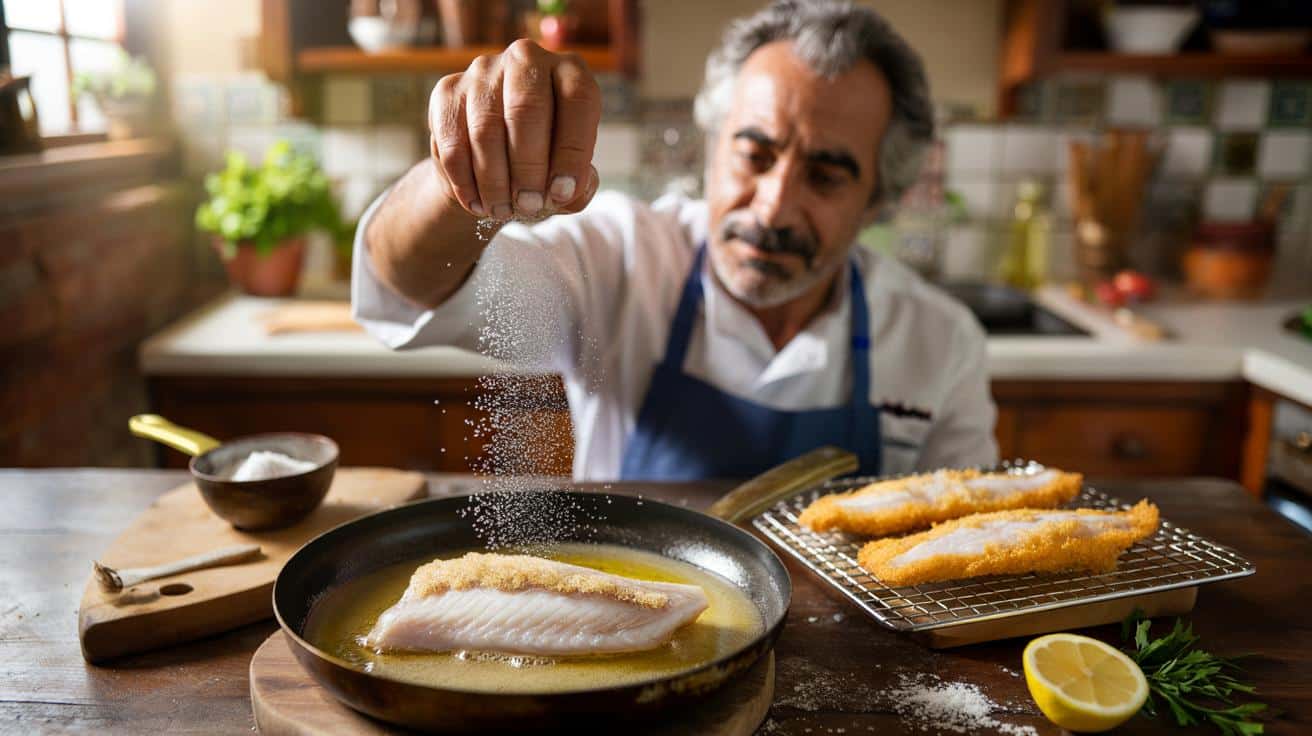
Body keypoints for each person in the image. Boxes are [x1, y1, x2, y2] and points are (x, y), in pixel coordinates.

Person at [353, 0, 997, 481]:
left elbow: (968, 540)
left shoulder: (939, 343)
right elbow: (407, 282)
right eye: (754, 155)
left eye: (826, 177)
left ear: (878, 199)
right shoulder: (620, 260)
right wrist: (458, 178)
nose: (773, 207)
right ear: (710, 148)